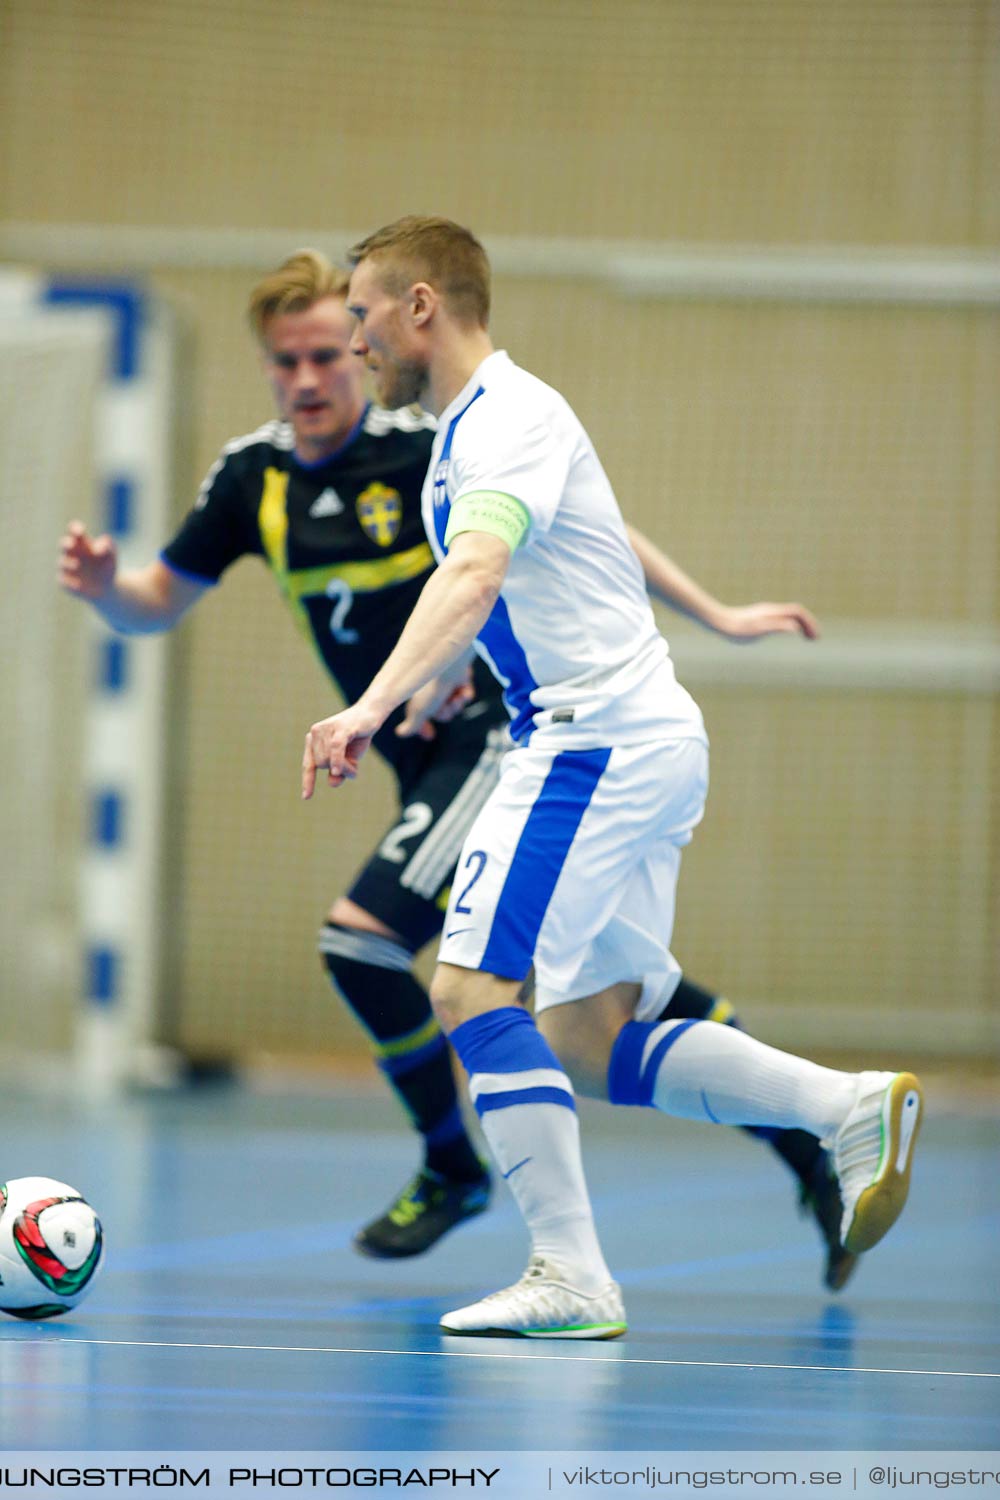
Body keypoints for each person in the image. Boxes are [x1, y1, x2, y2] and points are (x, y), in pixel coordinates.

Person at [60, 251, 847, 1285]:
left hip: (497, 743)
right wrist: (110, 588)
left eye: (328, 353)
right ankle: (814, 1124)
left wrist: (718, 613)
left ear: (362, 345)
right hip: (415, 765)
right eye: (283, 362)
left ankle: (459, 1172)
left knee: (371, 944)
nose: (307, 380)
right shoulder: (252, 479)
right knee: (589, 994)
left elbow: (582, 525)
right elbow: (158, 599)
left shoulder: (426, 439)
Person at [301, 216, 923, 1340]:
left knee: (466, 989)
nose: (354, 342)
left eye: (361, 316)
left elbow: (481, 569)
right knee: (587, 1035)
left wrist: (368, 703)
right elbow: (595, 528)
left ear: (422, 307)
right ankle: (847, 1107)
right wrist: (719, 611)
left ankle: (570, 1275)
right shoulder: (481, 430)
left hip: (589, 745)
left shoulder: (505, 417)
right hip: (632, 738)